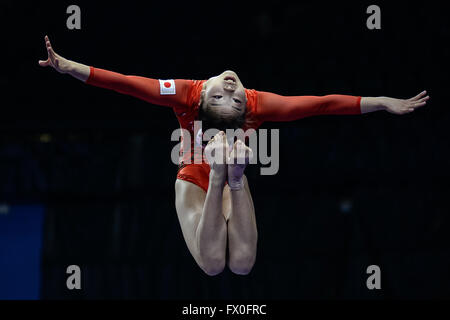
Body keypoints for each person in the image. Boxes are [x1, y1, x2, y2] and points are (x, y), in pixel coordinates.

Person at [39, 35, 429, 276]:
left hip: (193, 176)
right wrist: (69, 67)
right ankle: (235, 176)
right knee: (233, 265)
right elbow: (126, 85)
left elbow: (324, 104)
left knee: (227, 266)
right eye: (229, 95)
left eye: (229, 96)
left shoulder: (207, 95)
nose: (229, 86)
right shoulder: (237, 101)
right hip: (199, 173)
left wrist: (379, 102)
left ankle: (231, 176)